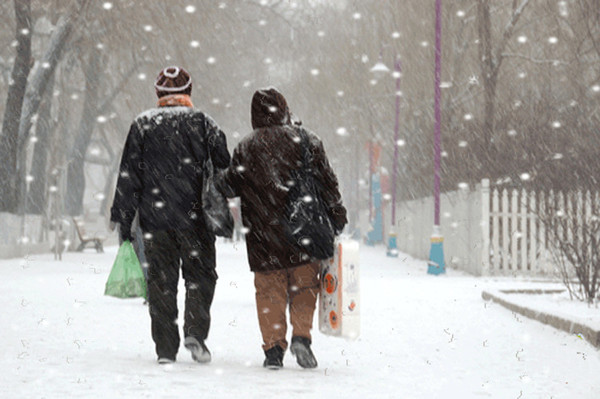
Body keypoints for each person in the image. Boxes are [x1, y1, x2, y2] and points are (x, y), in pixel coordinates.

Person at [110, 66, 230, 365]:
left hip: (155, 222)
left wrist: (124, 221)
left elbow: (128, 177)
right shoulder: (205, 124)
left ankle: (165, 348)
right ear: (188, 93)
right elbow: (226, 167)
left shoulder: (143, 125)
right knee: (200, 277)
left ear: (158, 94)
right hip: (195, 220)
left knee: (161, 284)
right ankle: (195, 332)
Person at [221, 87, 347, 369]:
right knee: (304, 286)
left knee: (269, 291)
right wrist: (337, 215)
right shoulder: (307, 139)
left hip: (264, 235)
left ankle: (273, 349)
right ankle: (301, 337)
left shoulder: (245, 147)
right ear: (285, 109)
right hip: (303, 229)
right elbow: (328, 182)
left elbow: (231, 185)